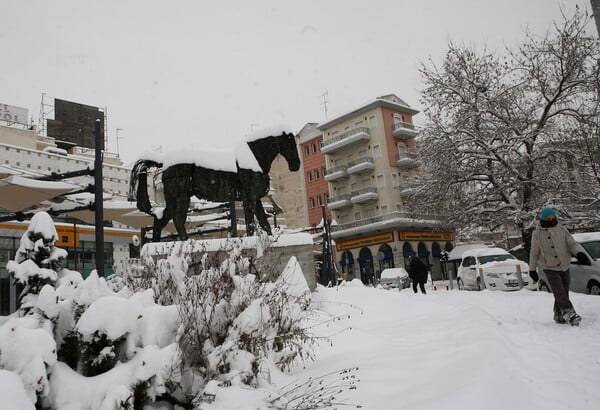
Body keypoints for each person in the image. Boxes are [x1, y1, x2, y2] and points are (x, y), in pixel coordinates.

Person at [529, 207, 586, 326]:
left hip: (564, 265)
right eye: (548, 218)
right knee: (559, 291)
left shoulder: (561, 229)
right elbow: (534, 252)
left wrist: (579, 253)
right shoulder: (537, 234)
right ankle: (569, 314)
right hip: (549, 266)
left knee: (563, 292)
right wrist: (532, 269)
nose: (551, 220)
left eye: (552, 218)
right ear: (542, 219)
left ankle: (558, 315)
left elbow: (572, 244)